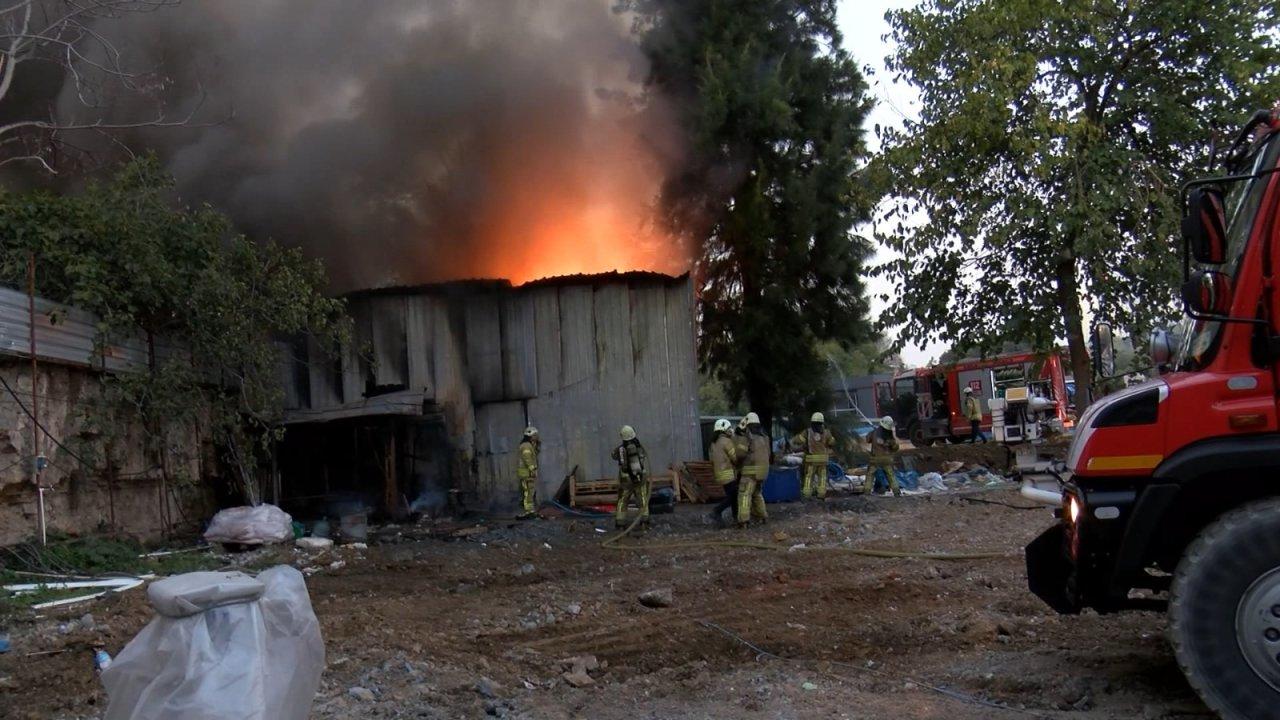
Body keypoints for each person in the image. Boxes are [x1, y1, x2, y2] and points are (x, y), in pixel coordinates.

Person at [613, 425, 650, 530]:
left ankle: (620, 522)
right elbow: (643, 457)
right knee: (642, 498)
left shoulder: (620, 449)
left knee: (623, 500)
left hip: (625, 479)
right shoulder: (640, 447)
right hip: (640, 477)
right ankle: (644, 521)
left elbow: (613, 455)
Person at [791, 412, 835, 499]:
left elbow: (798, 440)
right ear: (822, 422)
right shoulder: (827, 432)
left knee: (809, 477)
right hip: (823, 460)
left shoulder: (807, 432)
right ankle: (821, 494)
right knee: (822, 477)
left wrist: (796, 440)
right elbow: (832, 442)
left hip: (811, 460)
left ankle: (807, 495)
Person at [738, 412, 771, 525]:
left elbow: (740, 454)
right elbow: (768, 454)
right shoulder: (765, 437)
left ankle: (744, 521)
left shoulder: (748, 437)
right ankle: (762, 516)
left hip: (750, 472)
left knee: (744, 495)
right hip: (763, 472)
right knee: (757, 494)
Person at [708, 418, 739, 525]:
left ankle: (736, 517)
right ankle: (717, 511)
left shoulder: (713, 443)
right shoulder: (726, 441)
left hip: (719, 474)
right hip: (728, 473)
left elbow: (711, 460)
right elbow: (735, 458)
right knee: (733, 497)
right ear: (724, 429)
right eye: (729, 428)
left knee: (733, 496)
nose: (731, 430)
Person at [866, 416, 901, 496]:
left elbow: (867, 439)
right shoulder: (890, 436)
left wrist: (873, 433)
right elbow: (895, 448)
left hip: (875, 459)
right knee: (891, 475)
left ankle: (867, 492)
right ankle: (896, 492)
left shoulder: (874, 432)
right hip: (887, 459)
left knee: (870, 475)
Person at [516, 426, 540, 519]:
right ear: (530, 436)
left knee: (530, 491)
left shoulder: (528, 445)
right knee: (528, 492)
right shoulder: (526, 446)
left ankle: (530, 510)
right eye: (535, 435)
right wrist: (532, 469)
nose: (537, 437)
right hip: (527, 473)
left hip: (527, 473)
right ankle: (529, 511)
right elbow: (527, 459)